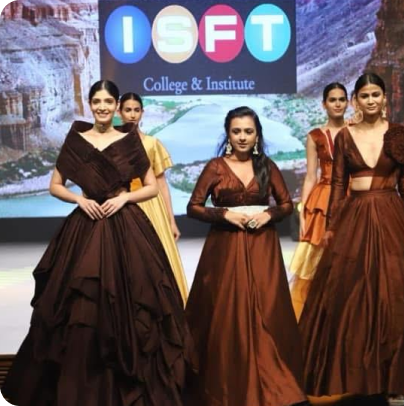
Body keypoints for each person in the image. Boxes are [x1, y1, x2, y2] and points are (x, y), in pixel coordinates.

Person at [1, 80, 194, 406]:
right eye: (97, 101)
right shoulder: (77, 141)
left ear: (116, 105)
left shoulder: (129, 140)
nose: (102, 107)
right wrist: (79, 200)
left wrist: (125, 198)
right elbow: (55, 185)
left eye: (108, 102)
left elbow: (151, 186)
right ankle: (81, 385)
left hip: (125, 224)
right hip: (86, 223)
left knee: (136, 299)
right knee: (80, 304)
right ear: (90, 104)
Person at [299, 73, 404, 403]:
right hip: (355, 218)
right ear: (356, 100)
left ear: (384, 98)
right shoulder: (346, 136)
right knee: (355, 296)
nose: (370, 100)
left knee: (396, 294)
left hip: (390, 216)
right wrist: (331, 225)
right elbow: (339, 184)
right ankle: (361, 376)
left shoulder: (399, 135)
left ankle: (396, 377)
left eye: (376, 94)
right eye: (364, 95)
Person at [184, 106, 307, 406]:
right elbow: (193, 207)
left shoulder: (266, 166)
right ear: (228, 134)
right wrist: (224, 214)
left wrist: (269, 215)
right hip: (225, 247)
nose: (242, 137)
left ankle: (272, 379)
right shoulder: (215, 167)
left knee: (265, 307)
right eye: (236, 131)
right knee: (226, 310)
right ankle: (227, 384)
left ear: (257, 135)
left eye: (248, 131)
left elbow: (286, 204)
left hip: (262, 245)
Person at [119, 92, 188, 304]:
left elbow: (162, 184)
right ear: (119, 112)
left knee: (158, 258)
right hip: (123, 206)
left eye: (136, 110)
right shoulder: (113, 143)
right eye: (128, 110)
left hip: (152, 207)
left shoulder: (151, 143)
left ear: (142, 113)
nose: (132, 115)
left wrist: (171, 220)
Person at [290, 82, 349, 321]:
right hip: (323, 199)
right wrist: (303, 209)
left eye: (342, 99)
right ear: (324, 104)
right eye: (333, 100)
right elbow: (310, 176)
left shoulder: (355, 130)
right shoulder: (315, 136)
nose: (337, 104)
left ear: (348, 102)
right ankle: (318, 318)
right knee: (317, 259)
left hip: (351, 197)